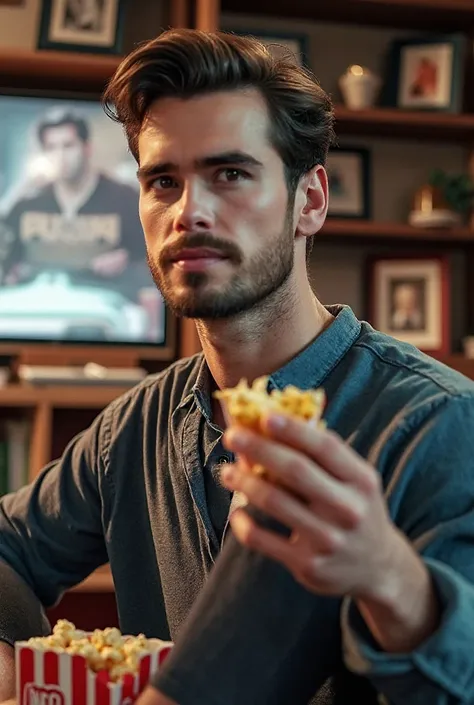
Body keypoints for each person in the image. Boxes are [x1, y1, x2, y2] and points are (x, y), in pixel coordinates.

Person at [0, 28, 474, 705]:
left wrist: (390, 578)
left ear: (309, 201)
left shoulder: (439, 422)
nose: (189, 212)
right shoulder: (131, 429)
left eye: (229, 174)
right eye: (163, 181)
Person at [0, 108, 147, 300]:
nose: (60, 155)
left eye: (68, 146)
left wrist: (126, 260)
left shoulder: (125, 198)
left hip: (106, 304)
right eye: (51, 147)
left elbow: (149, 258)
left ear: (87, 148)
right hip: (36, 304)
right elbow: (7, 260)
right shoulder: (26, 202)